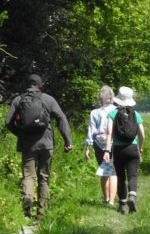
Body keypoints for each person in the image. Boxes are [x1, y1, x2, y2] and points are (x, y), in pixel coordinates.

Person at [6, 74, 73, 219]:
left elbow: (8, 122)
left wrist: (20, 134)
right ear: (40, 85)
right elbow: (61, 118)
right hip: (46, 144)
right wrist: (68, 140)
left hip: (27, 144)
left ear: (28, 84)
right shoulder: (48, 99)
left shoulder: (18, 100)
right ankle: (41, 211)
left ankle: (27, 203)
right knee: (44, 176)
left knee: (28, 176)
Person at [103, 86, 145, 214]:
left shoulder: (113, 113)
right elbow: (142, 135)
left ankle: (122, 204)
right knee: (132, 175)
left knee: (120, 176)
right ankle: (132, 196)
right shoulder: (136, 114)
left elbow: (109, 133)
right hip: (132, 148)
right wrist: (140, 148)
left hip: (118, 149)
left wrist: (106, 150)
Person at [85, 85, 117, 206]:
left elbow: (91, 130)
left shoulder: (94, 112)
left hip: (98, 143)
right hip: (113, 142)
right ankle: (112, 200)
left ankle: (106, 198)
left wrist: (88, 147)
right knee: (113, 172)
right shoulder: (116, 110)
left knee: (104, 170)